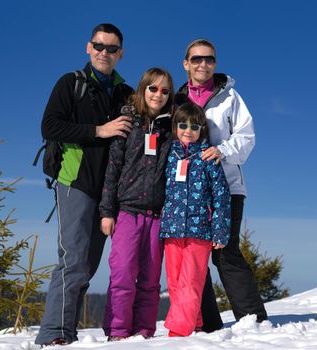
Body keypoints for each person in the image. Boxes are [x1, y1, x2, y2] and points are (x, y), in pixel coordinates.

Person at [35, 24, 133, 347]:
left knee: (87, 266)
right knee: (73, 259)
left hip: (109, 191)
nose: (104, 52)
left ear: (121, 54)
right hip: (74, 182)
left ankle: (67, 332)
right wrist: (99, 131)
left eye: (111, 48)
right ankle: (53, 335)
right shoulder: (71, 83)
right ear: (88, 48)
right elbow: (50, 126)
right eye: (99, 46)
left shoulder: (125, 93)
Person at [175, 39, 268, 331]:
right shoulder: (177, 100)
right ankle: (208, 324)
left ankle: (253, 318)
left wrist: (223, 150)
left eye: (210, 59)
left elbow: (247, 136)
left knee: (224, 252)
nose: (203, 64)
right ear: (186, 63)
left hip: (226, 185)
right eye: (197, 59)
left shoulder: (230, 97)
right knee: (195, 252)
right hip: (189, 190)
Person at [99, 67, 174, 341]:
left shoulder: (170, 129)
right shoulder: (128, 121)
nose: (158, 94)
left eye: (165, 90)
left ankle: (144, 333)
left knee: (150, 281)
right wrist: (107, 212)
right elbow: (113, 168)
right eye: (153, 88)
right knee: (122, 274)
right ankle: (117, 332)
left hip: (157, 215)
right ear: (143, 89)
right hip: (127, 211)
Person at [160, 103, 231, 337]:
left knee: (191, 280)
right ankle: (196, 323)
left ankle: (179, 331)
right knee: (174, 281)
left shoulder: (207, 157)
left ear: (202, 129)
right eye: (182, 125)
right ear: (175, 127)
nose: (188, 130)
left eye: (194, 126)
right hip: (171, 229)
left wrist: (220, 231)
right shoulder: (168, 154)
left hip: (199, 230)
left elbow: (221, 195)